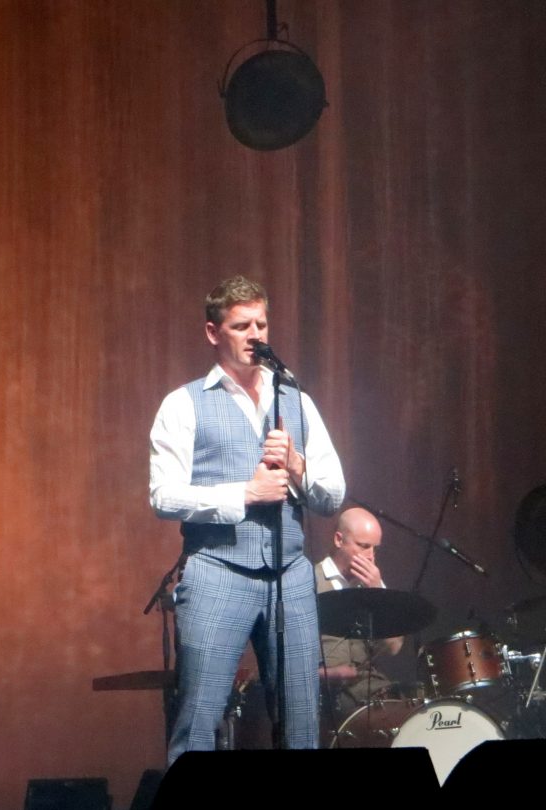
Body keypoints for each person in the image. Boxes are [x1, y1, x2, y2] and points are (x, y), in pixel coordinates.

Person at [149, 276, 345, 762]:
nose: (255, 334)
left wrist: (296, 465)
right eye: (241, 326)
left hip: (290, 575)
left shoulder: (296, 400)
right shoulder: (184, 403)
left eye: (261, 324)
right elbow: (163, 495)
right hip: (217, 570)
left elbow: (333, 494)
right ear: (213, 333)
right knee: (199, 721)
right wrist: (245, 493)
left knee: (301, 724)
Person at [315, 507, 404, 725]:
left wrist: (378, 594)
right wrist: (329, 674)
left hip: (368, 691)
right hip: (323, 695)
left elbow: (394, 647)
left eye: (375, 548)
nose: (370, 556)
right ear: (339, 540)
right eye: (363, 546)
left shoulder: (372, 585)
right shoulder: (310, 580)